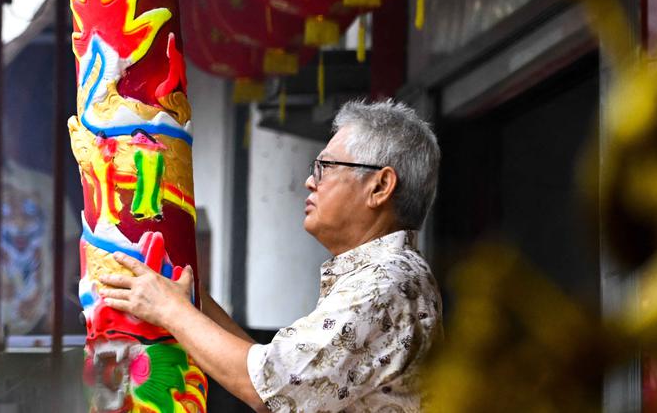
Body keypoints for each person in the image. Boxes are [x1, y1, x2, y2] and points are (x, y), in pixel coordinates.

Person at [99, 98, 443, 412]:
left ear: (380, 187)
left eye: (325, 167)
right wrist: (189, 303)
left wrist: (169, 309)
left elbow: (268, 384)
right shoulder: (391, 275)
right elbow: (281, 383)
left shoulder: (385, 281)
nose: (310, 181)